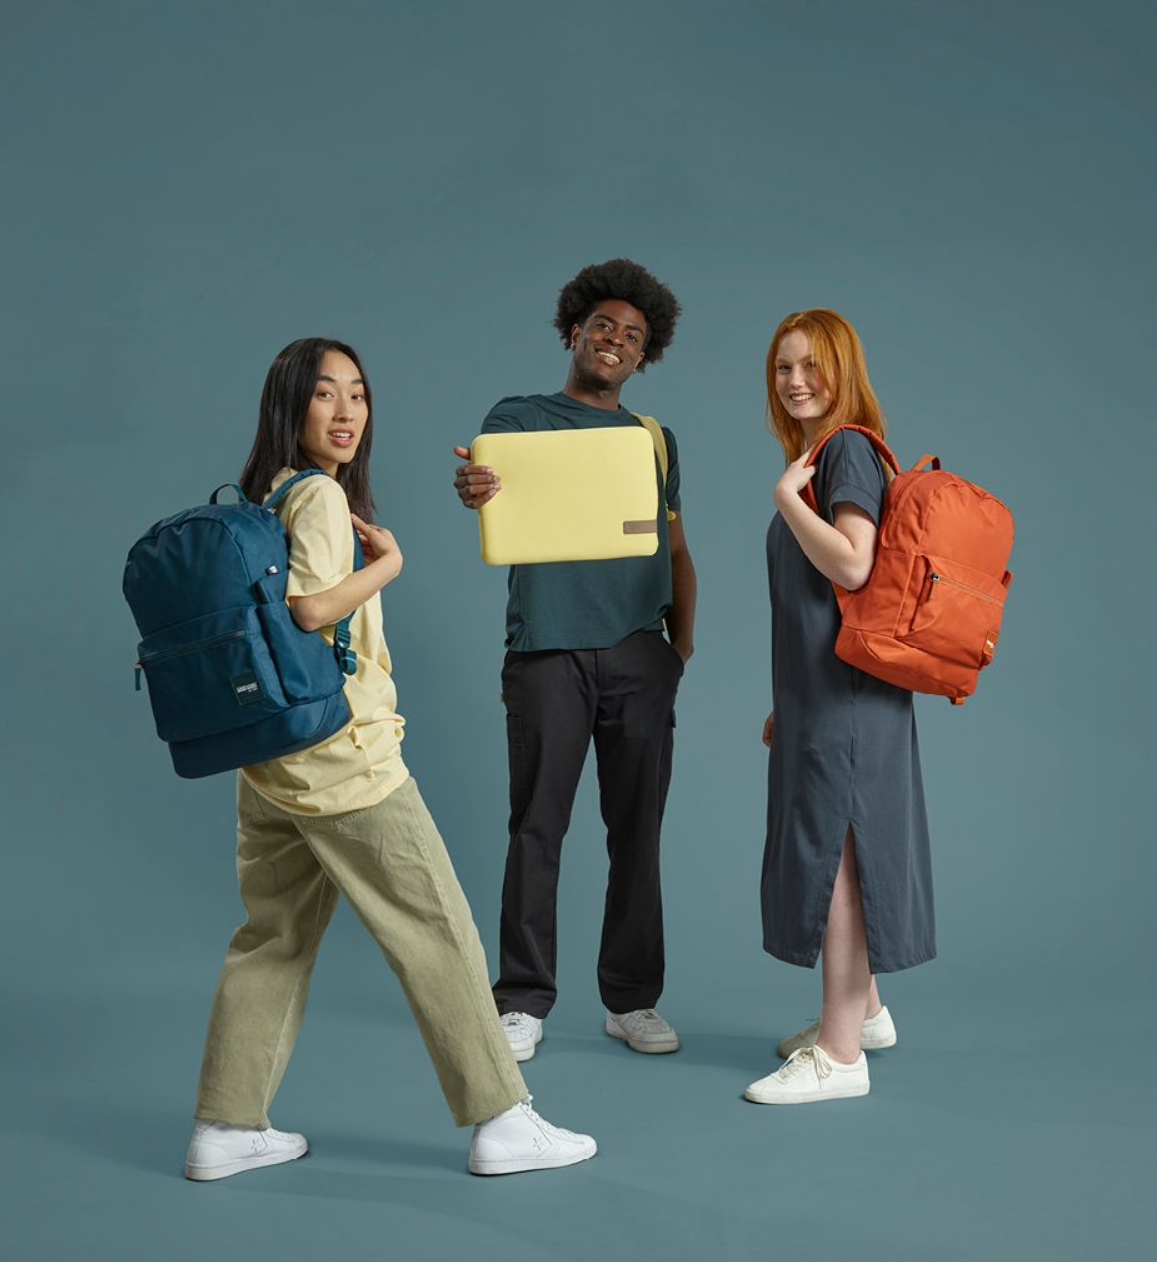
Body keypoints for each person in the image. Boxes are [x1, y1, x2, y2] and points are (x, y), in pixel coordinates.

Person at [184, 338, 595, 1180]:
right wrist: (391, 567)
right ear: (290, 407)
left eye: (359, 396)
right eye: (325, 396)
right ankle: (501, 1119)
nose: (346, 413)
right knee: (439, 931)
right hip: (346, 762)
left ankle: (225, 1127)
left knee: (272, 938)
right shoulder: (321, 499)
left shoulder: (266, 494)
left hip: (271, 764)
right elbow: (306, 612)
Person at [452, 259, 696, 1061]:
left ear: (643, 354)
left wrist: (677, 648)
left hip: (637, 654)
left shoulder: (652, 439)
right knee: (537, 829)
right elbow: (490, 490)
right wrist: (476, 487)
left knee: (638, 834)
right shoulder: (518, 418)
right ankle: (521, 1000)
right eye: (603, 327)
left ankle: (630, 1001)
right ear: (573, 332)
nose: (615, 341)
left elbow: (674, 547)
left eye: (633, 335)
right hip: (546, 653)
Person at [745, 310, 933, 1106]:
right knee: (835, 849)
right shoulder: (823, 455)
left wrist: (788, 499)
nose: (794, 381)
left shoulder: (845, 449)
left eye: (810, 366)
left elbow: (852, 567)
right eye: (783, 367)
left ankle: (838, 1054)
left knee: (837, 862)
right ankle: (867, 1013)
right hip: (824, 698)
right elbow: (815, 606)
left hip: (847, 701)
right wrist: (786, 704)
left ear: (842, 370)